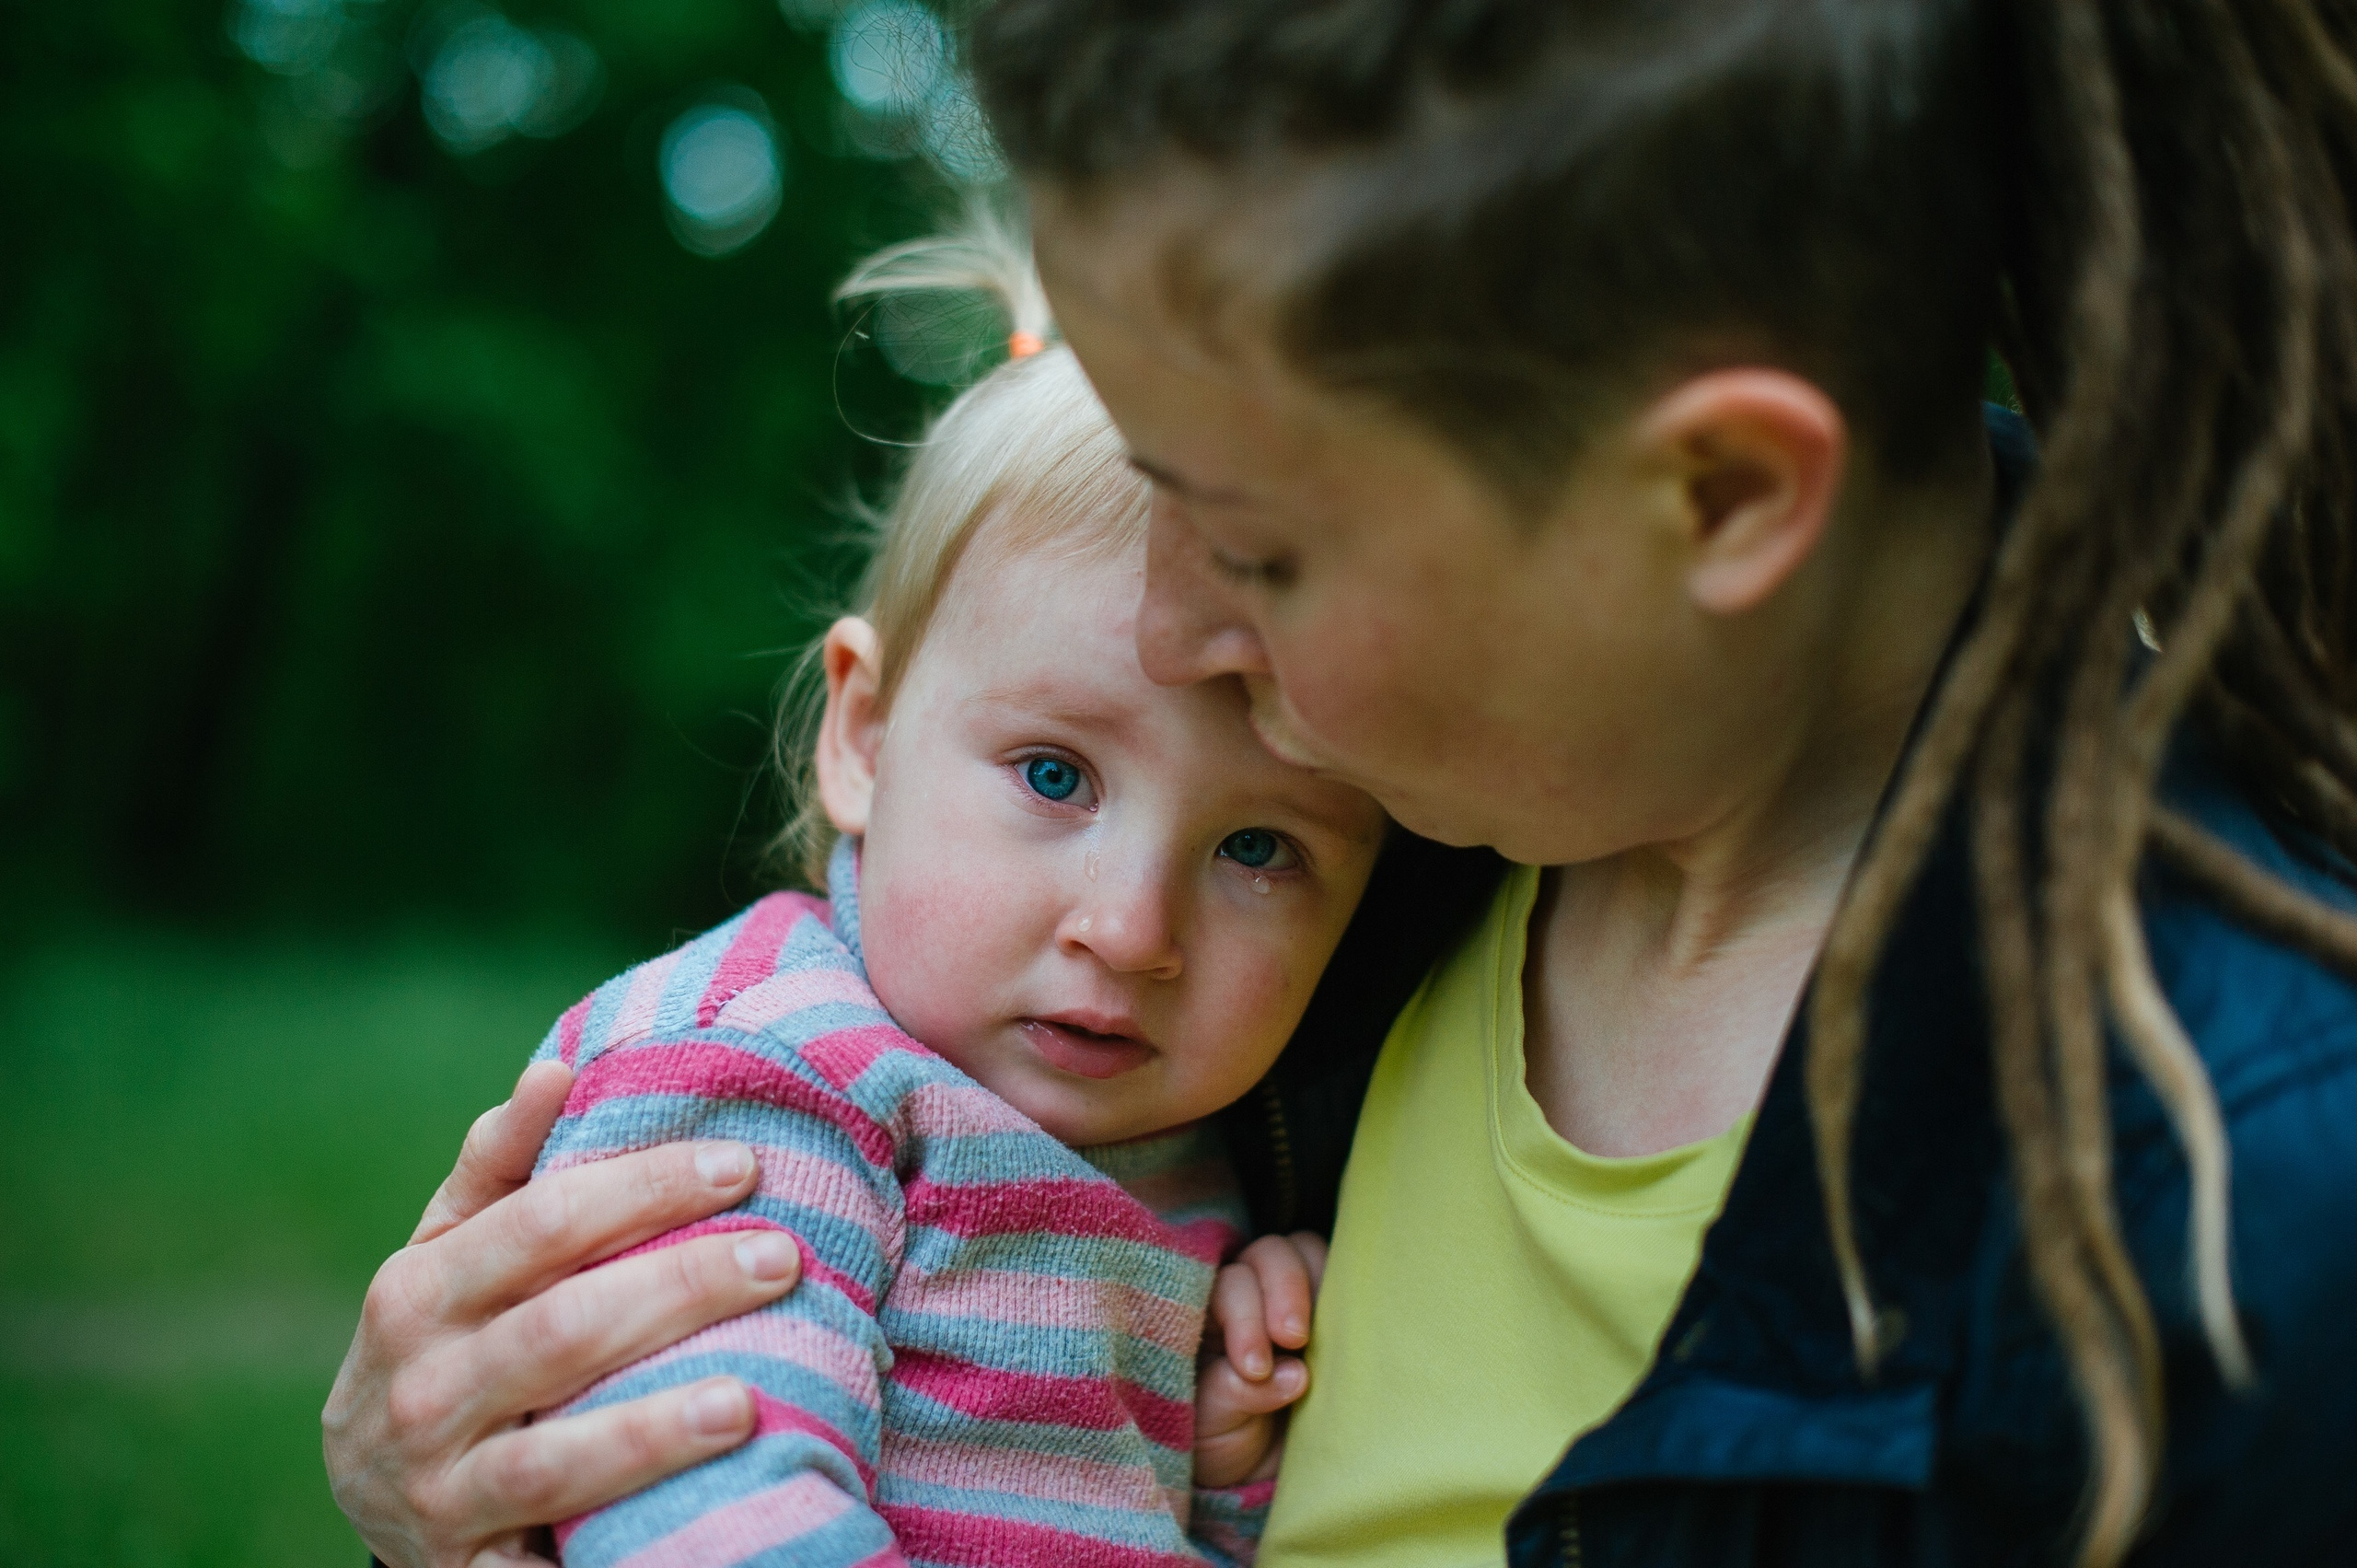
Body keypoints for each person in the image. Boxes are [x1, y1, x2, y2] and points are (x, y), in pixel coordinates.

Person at [325, 3, 2357, 1565]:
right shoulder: (1364, 875)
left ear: (1717, 494)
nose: (1183, 636)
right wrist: (486, 1460)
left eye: (1262, 545)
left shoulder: (2231, 1228)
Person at [511, 231, 1389, 1568]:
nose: (1134, 930)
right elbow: (698, 1501)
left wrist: (1233, 1457)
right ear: (862, 734)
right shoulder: (763, 1072)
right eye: (1055, 775)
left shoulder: (1176, 1154)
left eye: (1258, 850)